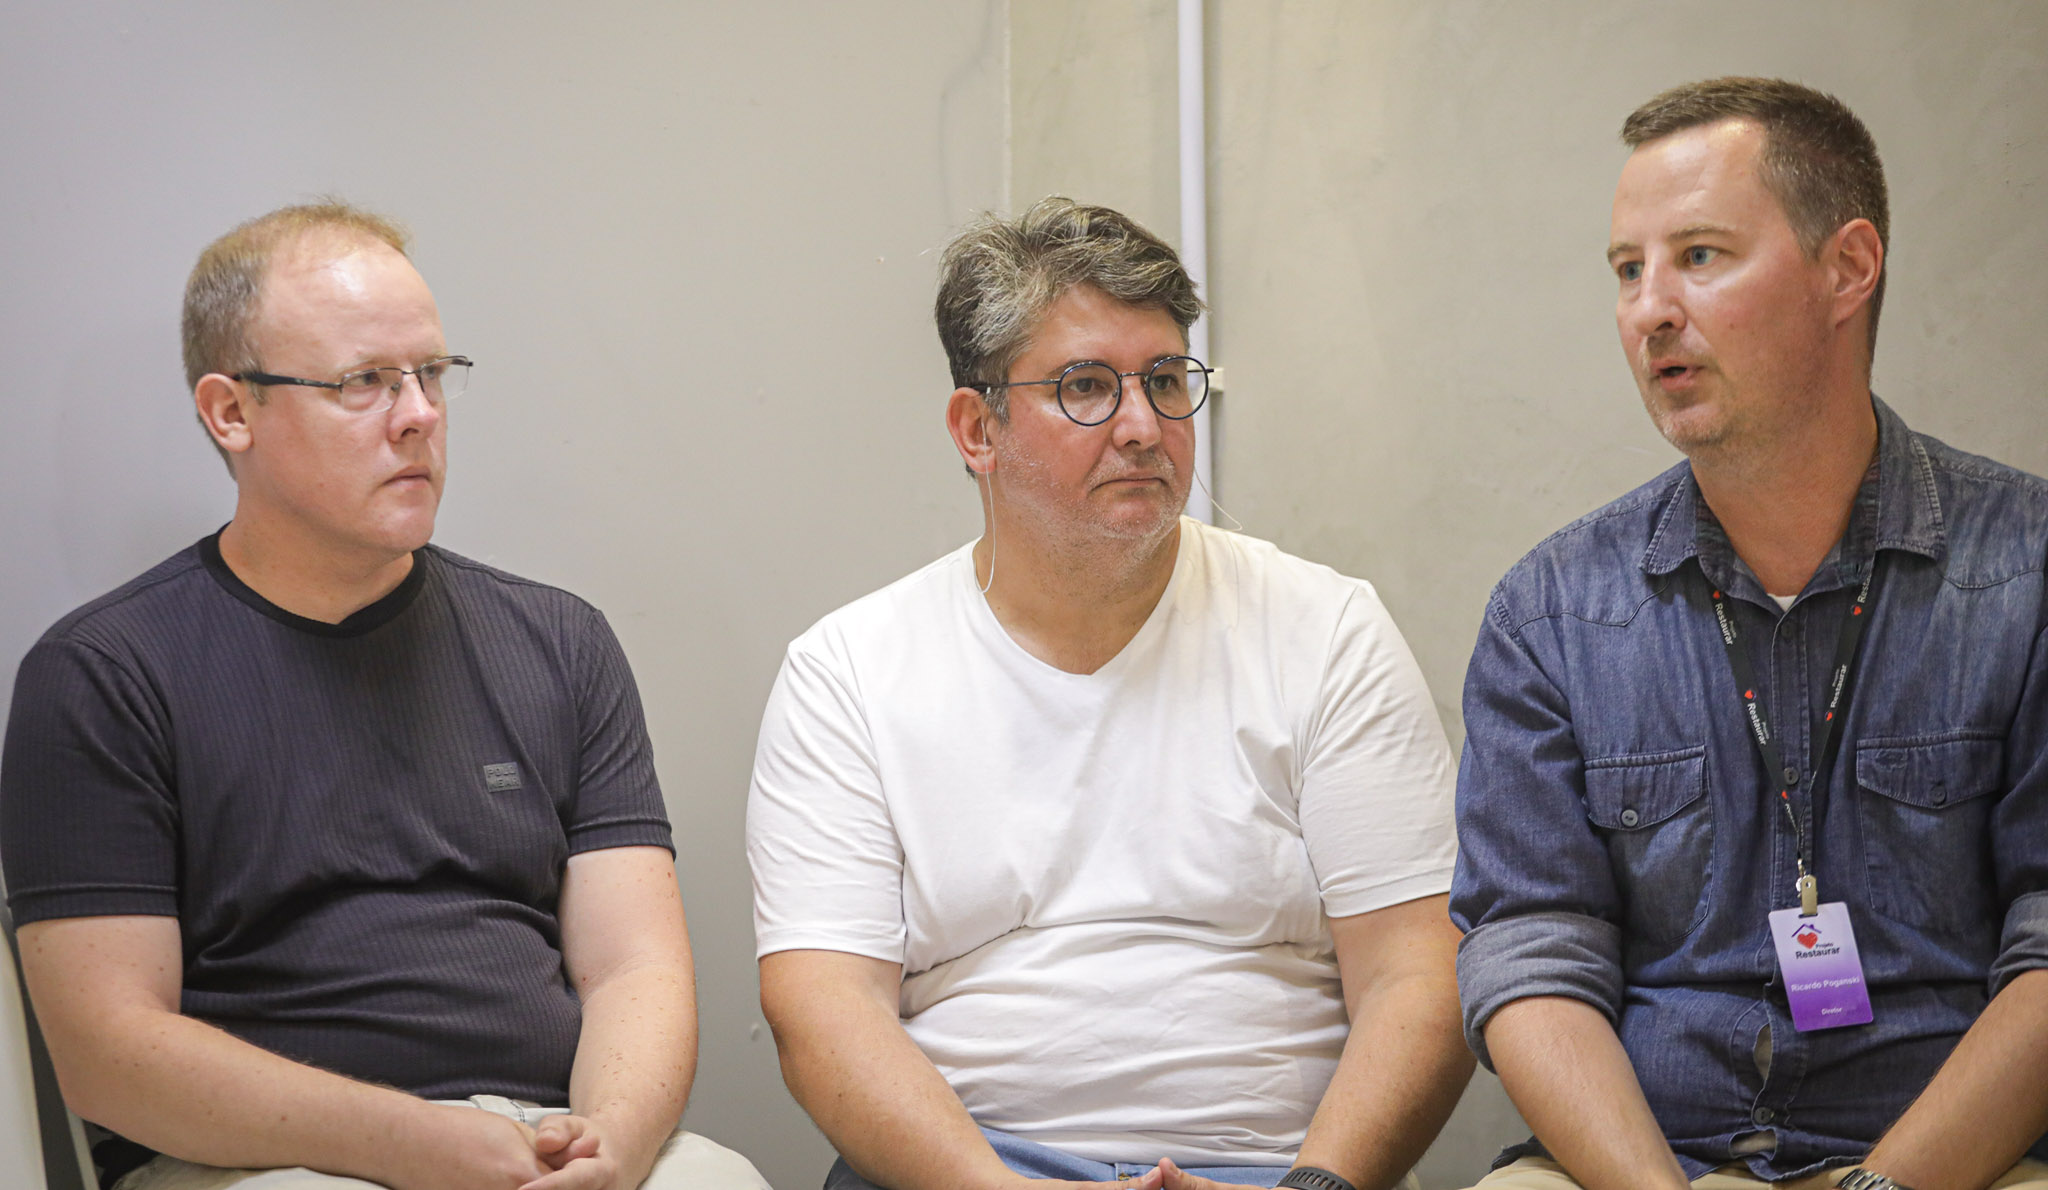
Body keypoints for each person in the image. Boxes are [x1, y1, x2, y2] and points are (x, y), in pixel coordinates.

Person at [0, 203, 767, 1190]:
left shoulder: (559, 642)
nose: (419, 414)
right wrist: (415, 1145)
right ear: (231, 412)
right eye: (363, 381)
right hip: (273, 1164)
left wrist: (608, 1146)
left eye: (430, 373)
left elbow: (635, 969)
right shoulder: (104, 675)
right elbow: (110, 1054)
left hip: (546, 1140)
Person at [747, 198, 1472, 1190]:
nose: (1142, 427)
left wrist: (1313, 1188)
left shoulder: (1326, 630)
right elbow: (822, 1009)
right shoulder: (849, 672)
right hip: (965, 1173)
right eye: (1086, 387)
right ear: (977, 429)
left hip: (1276, 1170)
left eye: (1166, 382)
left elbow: (1419, 973)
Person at [1451, 78, 2048, 1190]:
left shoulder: (2024, 570)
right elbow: (1531, 952)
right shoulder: (1552, 611)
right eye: (1627, 270)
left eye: (1699, 256)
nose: (1649, 309)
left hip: (1955, 1162)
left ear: (1846, 268)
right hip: (1647, 1162)